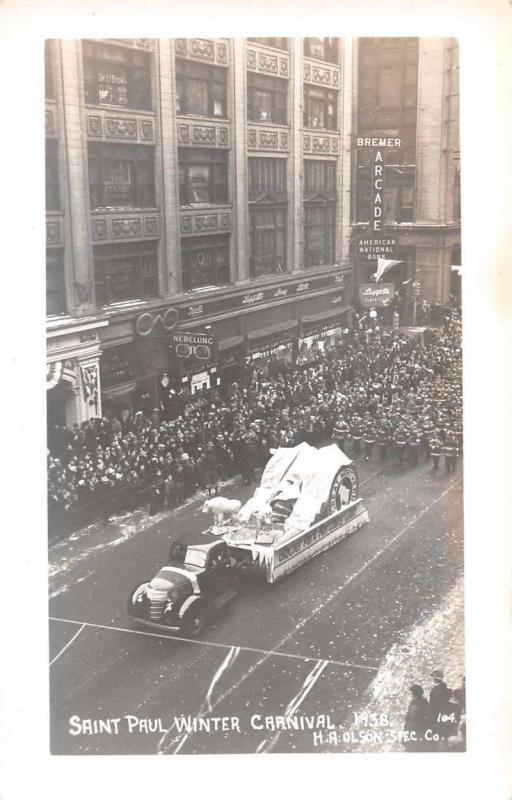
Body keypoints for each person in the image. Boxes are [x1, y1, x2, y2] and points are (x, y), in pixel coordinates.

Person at [428, 669, 453, 750]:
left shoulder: (438, 690)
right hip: (439, 714)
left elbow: (436, 703)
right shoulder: (443, 688)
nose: (432, 680)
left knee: (438, 735)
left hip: (437, 715)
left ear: (435, 679)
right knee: (441, 736)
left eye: (433, 678)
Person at [403, 684, 429, 752]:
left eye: (412, 693)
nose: (411, 695)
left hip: (416, 731)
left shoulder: (418, 704)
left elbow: (410, 718)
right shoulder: (422, 703)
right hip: (415, 730)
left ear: (415, 694)